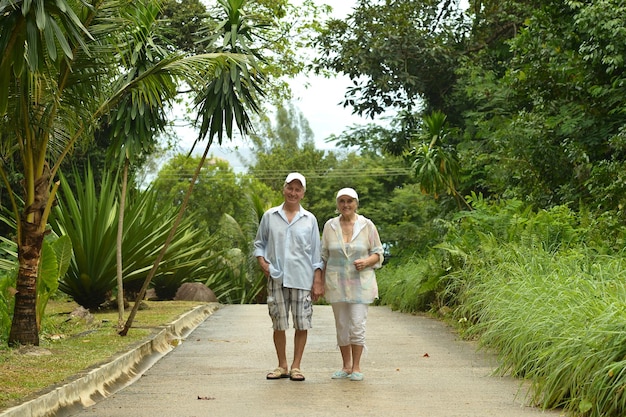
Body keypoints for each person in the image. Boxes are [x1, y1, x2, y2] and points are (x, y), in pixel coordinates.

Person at [253, 172, 324, 382]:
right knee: (279, 323)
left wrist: (317, 281)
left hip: (302, 278)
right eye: (290, 188)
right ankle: (282, 365)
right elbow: (259, 243)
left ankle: (296, 366)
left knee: (302, 323)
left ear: (303, 193)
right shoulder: (270, 216)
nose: (293, 193)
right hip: (277, 276)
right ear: (283, 189)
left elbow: (316, 254)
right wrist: (262, 262)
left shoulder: (309, 219)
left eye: (298, 189)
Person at [321, 187, 384, 382]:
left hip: (361, 283)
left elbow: (378, 252)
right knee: (341, 325)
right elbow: (323, 255)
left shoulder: (367, 225)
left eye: (350, 201)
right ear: (337, 204)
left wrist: (366, 262)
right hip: (336, 282)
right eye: (342, 201)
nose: (346, 205)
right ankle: (345, 366)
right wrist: (318, 281)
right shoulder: (329, 226)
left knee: (357, 324)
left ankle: (356, 366)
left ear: (356, 203)